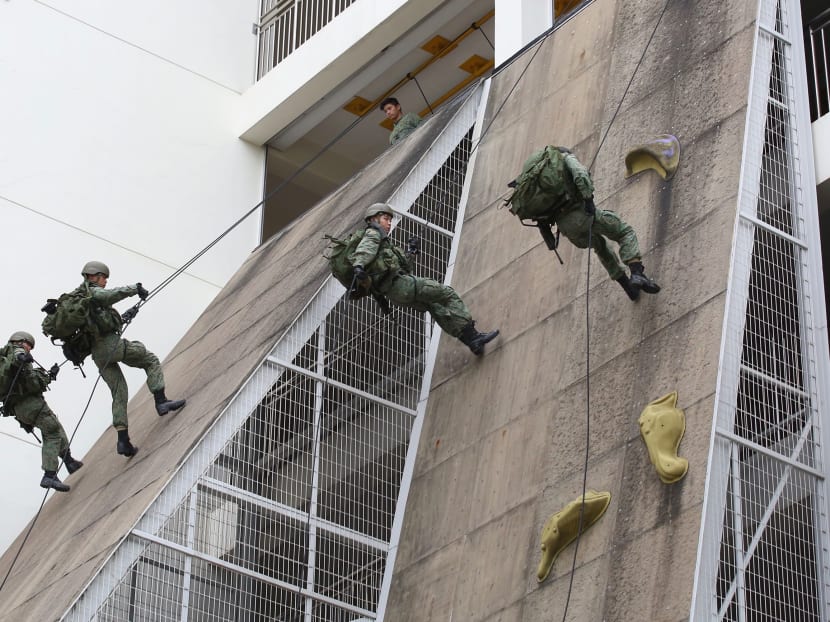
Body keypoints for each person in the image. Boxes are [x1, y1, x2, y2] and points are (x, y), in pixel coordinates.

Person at [511, 147, 660, 300]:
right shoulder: (565, 158)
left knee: (600, 246)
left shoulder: (533, 184)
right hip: (582, 215)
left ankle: (629, 289)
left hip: (568, 231)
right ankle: (637, 273)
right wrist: (588, 199)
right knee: (623, 232)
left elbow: (539, 219)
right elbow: (581, 174)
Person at [350, 204, 499, 355]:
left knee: (436, 307)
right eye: (386, 219)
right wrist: (359, 265)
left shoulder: (384, 244)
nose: (389, 223)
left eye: (390, 220)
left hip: (397, 295)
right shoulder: (373, 234)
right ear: (374, 219)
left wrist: (411, 252)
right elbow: (365, 249)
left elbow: (402, 267)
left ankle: (471, 342)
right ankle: (473, 335)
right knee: (447, 293)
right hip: (403, 285)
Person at [78, 261, 185, 457]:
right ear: (93, 276)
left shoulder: (80, 300)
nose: (105, 281)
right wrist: (134, 289)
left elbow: (102, 322)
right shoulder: (92, 292)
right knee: (150, 359)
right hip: (111, 346)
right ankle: (161, 402)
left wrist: (124, 317)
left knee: (119, 393)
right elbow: (109, 295)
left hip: (98, 355)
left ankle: (123, 441)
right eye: (103, 276)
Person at [3, 331, 83, 492]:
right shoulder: (16, 350)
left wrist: (49, 376)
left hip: (19, 409)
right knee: (52, 432)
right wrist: (22, 358)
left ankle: (69, 461)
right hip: (32, 404)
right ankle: (49, 474)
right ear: (20, 341)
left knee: (55, 426)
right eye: (28, 345)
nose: (29, 349)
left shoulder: (3, 360)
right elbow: (32, 381)